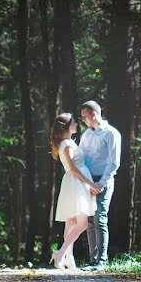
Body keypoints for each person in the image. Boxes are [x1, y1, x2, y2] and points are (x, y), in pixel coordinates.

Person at [49, 112, 101, 270]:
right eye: (73, 123)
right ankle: (61, 253)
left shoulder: (68, 142)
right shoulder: (67, 144)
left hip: (75, 182)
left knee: (71, 222)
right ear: (66, 126)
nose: (77, 125)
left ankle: (69, 259)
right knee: (82, 223)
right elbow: (72, 167)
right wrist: (90, 183)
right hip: (76, 182)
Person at [78, 100, 121, 270]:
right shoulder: (87, 134)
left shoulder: (111, 134)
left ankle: (102, 261)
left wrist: (101, 183)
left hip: (103, 180)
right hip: (87, 180)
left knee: (99, 218)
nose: (83, 120)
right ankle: (93, 260)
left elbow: (114, 163)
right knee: (89, 219)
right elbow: (81, 156)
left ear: (94, 114)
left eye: (85, 116)